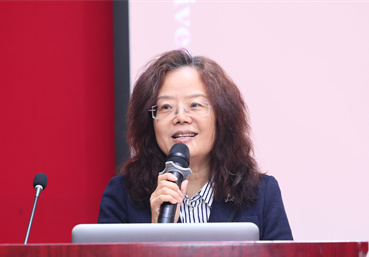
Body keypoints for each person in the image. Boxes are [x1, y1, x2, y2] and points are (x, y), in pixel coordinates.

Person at [98, 49, 293, 240]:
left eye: (195, 105)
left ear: (222, 116)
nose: (181, 117)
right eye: (166, 107)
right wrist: (156, 232)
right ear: (150, 122)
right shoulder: (121, 196)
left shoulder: (262, 193)